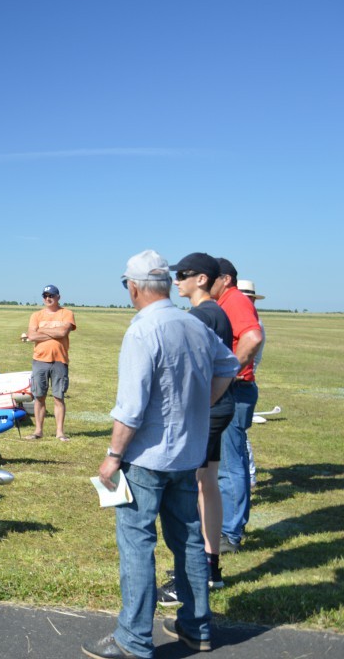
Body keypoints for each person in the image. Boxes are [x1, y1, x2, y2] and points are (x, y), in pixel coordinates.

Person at [82, 251, 238, 659]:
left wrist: (113, 455)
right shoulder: (194, 322)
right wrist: (201, 405)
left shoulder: (141, 330)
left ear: (133, 287)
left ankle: (133, 638)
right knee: (187, 540)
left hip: (146, 459)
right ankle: (197, 627)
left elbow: (131, 407)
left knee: (137, 544)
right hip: (187, 455)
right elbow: (229, 365)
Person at [158, 252, 236, 603]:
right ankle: (210, 567)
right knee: (207, 485)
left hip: (206, 413)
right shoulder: (214, 312)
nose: (176, 281)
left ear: (201, 279)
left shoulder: (202, 316)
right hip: (217, 409)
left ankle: (194, 575)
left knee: (189, 491)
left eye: (183, 275)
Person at [210, 258, 263, 554]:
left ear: (226, 279)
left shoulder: (236, 301)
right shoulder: (229, 300)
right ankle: (231, 525)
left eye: (211, 277)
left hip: (235, 389)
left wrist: (229, 371)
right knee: (234, 459)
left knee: (230, 464)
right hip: (236, 387)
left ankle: (230, 533)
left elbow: (253, 337)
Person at [21, 284, 76, 441]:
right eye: (45, 296)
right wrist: (50, 334)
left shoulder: (67, 313)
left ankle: (60, 432)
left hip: (60, 360)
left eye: (51, 295)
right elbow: (31, 336)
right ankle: (38, 431)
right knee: (39, 397)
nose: (48, 298)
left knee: (59, 397)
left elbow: (63, 332)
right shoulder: (36, 315)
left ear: (58, 297)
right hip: (40, 360)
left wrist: (40, 332)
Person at [238, 279, 265, 489]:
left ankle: (250, 475)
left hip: (243, 380)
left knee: (239, 433)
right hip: (243, 379)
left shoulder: (253, 323)